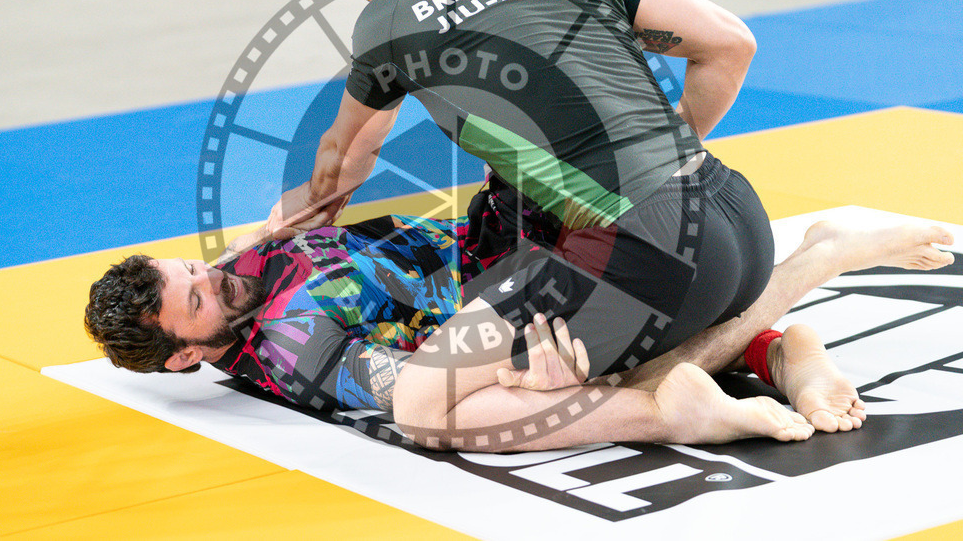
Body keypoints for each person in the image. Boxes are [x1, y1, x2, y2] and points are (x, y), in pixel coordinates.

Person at [258, 0, 783, 387]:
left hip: (651, 257)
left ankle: (814, 265)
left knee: (433, 389)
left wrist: (288, 217)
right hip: (741, 222)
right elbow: (731, 44)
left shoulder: (388, 17)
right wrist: (670, 153)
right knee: (636, 321)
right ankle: (776, 338)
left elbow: (346, 156)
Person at [85, 202, 955, 451]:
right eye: (195, 298)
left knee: (622, 347)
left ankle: (797, 286)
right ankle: (775, 337)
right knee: (450, 420)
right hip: (505, 298)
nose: (214, 277)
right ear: (185, 357)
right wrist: (517, 381)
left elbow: (295, 208)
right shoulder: (293, 348)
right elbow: (412, 391)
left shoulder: (247, 263)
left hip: (500, 238)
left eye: (192, 267)